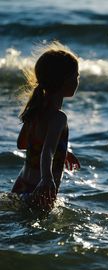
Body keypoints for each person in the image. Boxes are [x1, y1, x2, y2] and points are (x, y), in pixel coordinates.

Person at [11, 41, 80, 210]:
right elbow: (46, 151)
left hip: (21, 185)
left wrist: (63, 151)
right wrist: (47, 178)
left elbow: (22, 144)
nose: (78, 80)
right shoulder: (59, 118)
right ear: (66, 82)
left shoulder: (35, 111)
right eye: (76, 76)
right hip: (40, 190)